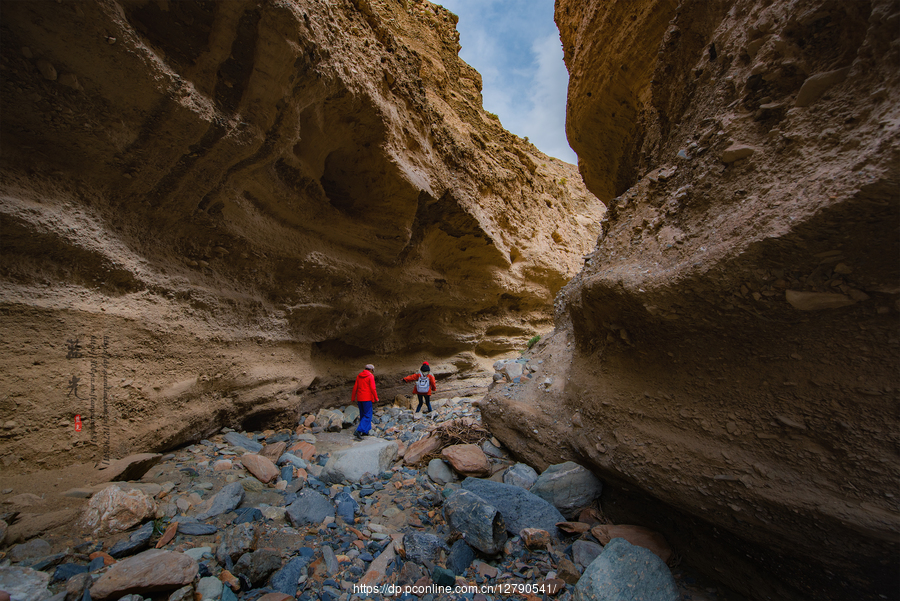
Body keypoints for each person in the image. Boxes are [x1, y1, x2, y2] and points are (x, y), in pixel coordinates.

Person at [352, 364, 378, 439]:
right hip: (367, 398)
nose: (373, 372)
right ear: (370, 370)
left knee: (363, 414)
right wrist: (376, 397)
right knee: (368, 415)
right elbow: (373, 388)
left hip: (360, 398)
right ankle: (359, 430)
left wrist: (353, 398)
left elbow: (355, 388)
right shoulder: (370, 376)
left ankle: (365, 431)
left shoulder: (359, 376)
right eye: (373, 370)